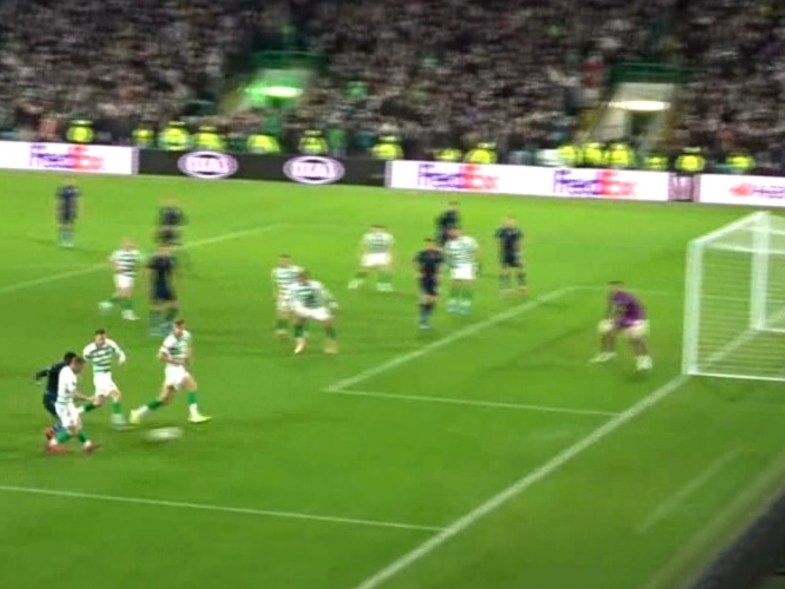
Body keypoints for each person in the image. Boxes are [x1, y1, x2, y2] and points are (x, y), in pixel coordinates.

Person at [129, 319, 210, 425]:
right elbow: (160, 356)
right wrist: (175, 361)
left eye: (182, 328)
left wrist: (187, 361)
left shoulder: (186, 335)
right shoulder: (169, 341)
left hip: (180, 368)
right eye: (178, 328)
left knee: (164, 399)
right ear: (174, 328)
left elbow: (188, 347)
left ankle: (138, 413)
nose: (180, 330)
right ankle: (194, 415)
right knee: (192, 385)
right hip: (173, 369)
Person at [591, 281, 653, 371]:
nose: (613, 289)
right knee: (607, 332)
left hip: (636, 319)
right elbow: (610, 307)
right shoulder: (611, 295)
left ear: (621, 288)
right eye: (611, 287)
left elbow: (621, 311)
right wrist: (606, 319)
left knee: (635, 338)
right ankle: (607, 353)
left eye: (616, 287)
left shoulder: (625, 297)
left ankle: (644, 359)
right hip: (624, 318)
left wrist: (614, 321)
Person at [45, 356, 101, 455]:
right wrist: (88, 398)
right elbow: (74, 395)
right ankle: (52, 445)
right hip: (64, 406)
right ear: (76, 365)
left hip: (67, 404)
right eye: (81, 368)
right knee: (73, 430)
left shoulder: (65, 369)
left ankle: (88, 445)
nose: (81, 370)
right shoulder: (70, 377)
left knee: (77, 426)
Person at [80, 329, 127, 428]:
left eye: (104, 339)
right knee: (116, 395)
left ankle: (76, 412)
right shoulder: (89, 350)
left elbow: (119, 352)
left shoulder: (110, 344)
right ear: (95, 338)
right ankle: (117, 420)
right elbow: (83, 363)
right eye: (100, 339)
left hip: (107, 375)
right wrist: (79, 374)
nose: (102, 341)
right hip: (100, 377)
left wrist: (122, 358)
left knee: (98, 402)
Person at [290, 270, 338, 355]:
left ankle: (331, 343)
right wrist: (292, 308)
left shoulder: (316, 285)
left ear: (308, 278)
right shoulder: (293, 287)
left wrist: (333, 303)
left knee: (328, 325)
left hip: (317, 308)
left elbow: (326, 294)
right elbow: (292, 298)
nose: (302, 280)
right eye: (300, 278)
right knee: (297, 322)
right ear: (298, 278)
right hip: (303, 308)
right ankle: (300, 343)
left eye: (304, 278)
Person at [34, 351, 77, 439]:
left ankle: (54, 437)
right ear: (69, 361)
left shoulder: (60, 366)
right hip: (51, 399)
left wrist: (39, 375)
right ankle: (51, 435)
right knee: (67, 422)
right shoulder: (61, 368)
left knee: (69, 420)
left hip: (55, 398)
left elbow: (47, 370)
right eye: (74, 362)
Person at [100, 239, 142, 320]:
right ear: (122, 245)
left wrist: (137, 268)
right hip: (121, 275)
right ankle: (127, 313)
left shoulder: (135, 252)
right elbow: (110, 259)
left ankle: (107, 304)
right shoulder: (118, 253)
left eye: (129, 244)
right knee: (124, 294)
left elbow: (138, 262)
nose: (128, 246)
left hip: (131, 276)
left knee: (125, 294)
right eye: (126, 245)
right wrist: (116, 267)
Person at [348, 225, 395, 292]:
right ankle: (355, 283)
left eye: (378, 228)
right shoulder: (368, 236)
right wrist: (363, 257)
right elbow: (364, 247)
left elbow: (389, 247)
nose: (376, 230)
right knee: (365, 270)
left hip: (383, 254)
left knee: (385, 270)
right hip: (371, 254)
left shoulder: (388, 236)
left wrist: (389, 256)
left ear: (383, 229)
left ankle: (383, 286)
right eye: (374, 228)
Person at [444, 227, 479, 315]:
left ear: (460, 231)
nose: (454, 233)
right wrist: (450, 265)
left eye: (456, 231)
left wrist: (475, 262)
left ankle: (465, 305)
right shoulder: (449, 243)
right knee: (455, 286)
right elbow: (448, 256)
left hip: (468, 265)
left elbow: (475, 250)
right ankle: (452, 304)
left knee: (468, 286)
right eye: (452, 231)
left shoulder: (469, 240)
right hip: (456, 266)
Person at [146, 245, 178, 336]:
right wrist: (149, 286)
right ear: (160, 251)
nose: (168, 252)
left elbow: (172, 273)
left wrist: (174, 284)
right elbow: (149, 272)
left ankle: (165, 324)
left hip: (167, 285)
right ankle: (154, 328)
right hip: (158, 285)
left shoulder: (169, 261)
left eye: (168, 250)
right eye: (165, 250)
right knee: (158, 306)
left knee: (175, 306)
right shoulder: (155, 260)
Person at [414, 238, 444, 330]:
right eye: (428, 244)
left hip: (434, 278)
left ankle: (426, 317)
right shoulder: (421, 254)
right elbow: (416, 263)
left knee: (433, 300)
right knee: (426, 298)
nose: (430, 246)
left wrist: (439, 274)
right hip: (425, 277)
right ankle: (423, 321)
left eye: (432, 244)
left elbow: (440, 265)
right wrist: (418, 272)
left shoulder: (438, 254)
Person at [271, 254, 302, 338]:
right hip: (283, 295)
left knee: (296, 315)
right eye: (281, 261)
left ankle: (299, 334)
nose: (283, 262)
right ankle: (281, 332)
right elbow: (276, 284)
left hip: (295, 295)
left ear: (290, 261)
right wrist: (276, 294)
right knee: (282, 314)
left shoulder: (297, 269)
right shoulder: (275, 271)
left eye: (286, 260)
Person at [495, 216, 526, 294]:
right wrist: (501, 250)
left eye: (511, 222)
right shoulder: (501, 230)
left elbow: (521, 240)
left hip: (515, 253)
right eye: (508, 221)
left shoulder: (517, 230)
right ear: (505, 222)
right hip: (505, 253)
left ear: (514, 222)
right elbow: (498, 240)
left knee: (519, 269)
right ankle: (506, 288)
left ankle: (522, 286)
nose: (510, 223)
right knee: (505, 270)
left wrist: (519, 250)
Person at [55, 177, 80, 247]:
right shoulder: (61, 190)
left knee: (71, 226)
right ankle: (62, 240)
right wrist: (57, 210)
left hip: (71, 210)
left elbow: (77, 201)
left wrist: (77, 210)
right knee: (62, 225)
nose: (68, 182)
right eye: (67, 181)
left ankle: (70, 241)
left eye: (70, 181)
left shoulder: (75, 190)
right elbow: (58, 201)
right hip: (63, 209)